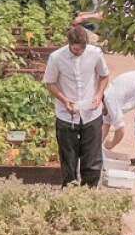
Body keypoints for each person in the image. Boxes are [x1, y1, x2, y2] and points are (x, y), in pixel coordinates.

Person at [44, 24, 110, 187]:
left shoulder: (95, 54)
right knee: (68, 158)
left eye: (81, 49)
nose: (78, 52)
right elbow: (50, 83)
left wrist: (98, 95)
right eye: (75, 50)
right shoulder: (56, 57)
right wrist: (64, 99)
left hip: (91, 113)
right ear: (68, 44)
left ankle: (90, 192)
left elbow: (104, 76)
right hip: (66, 114)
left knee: (93, 158)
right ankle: (69, 191)